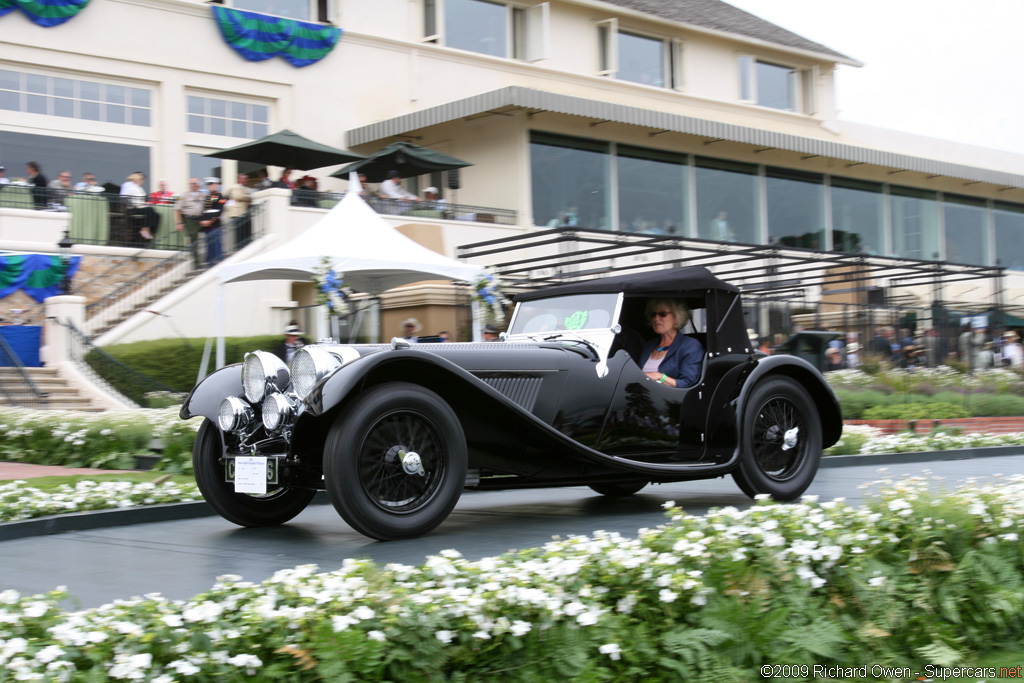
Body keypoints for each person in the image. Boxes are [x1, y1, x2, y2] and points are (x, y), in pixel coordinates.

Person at [638, 299, 702, 388]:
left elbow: (688, 383)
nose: (656, 318)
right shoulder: (649, 346)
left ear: (676, 316)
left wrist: (661, 377)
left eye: (662, 314)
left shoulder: (690, 346)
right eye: (653, 314)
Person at [174, 178, 206, 268]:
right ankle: (196, 262)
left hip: (201, 219)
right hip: (190, 220)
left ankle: (208, 258)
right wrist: (179, 223)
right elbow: (177, 210)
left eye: (195, 183)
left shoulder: (203, 195)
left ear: (199, 184)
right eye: (191, 183)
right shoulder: (184, 195)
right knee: (193, 238)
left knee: (210, 235)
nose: (193, 185)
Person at [120, 172, 160, 242]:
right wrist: (144, 204)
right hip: (134, 208)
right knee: (150, 210)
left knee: (157, 215)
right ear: (138, 179)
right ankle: (145, 229)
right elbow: (132, 200)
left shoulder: (139, 188)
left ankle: (150, 231)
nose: (143, 181)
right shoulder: (131, 187)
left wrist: (146, 203)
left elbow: (141, 200)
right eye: (142, 179)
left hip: (140, 206)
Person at [199, 177, 226, 265]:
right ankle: (210, 263)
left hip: (215, 225)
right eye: (209, 185)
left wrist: (211, 221)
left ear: (216, 185)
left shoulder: (219, 196)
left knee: (216, 245)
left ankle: (219, 262)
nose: (210, 187)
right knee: (209, 246)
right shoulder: (207, 197)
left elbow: (219, 211)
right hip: (207, 227)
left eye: (211, 185)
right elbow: (205, 211)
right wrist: (202, 221)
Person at [224, 173, 253, 247]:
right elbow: (237, 196)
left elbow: (241, 198)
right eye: (243, 178)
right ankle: (239, 247)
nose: (245, 180)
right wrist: (248, 197)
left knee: (245, 232)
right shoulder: (234, 187)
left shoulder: (246, 188)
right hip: (237, 213)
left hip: (245, 212)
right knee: (239, 232)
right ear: (239, 179)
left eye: (246, 178)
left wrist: (245, 198)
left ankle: (245, 246)